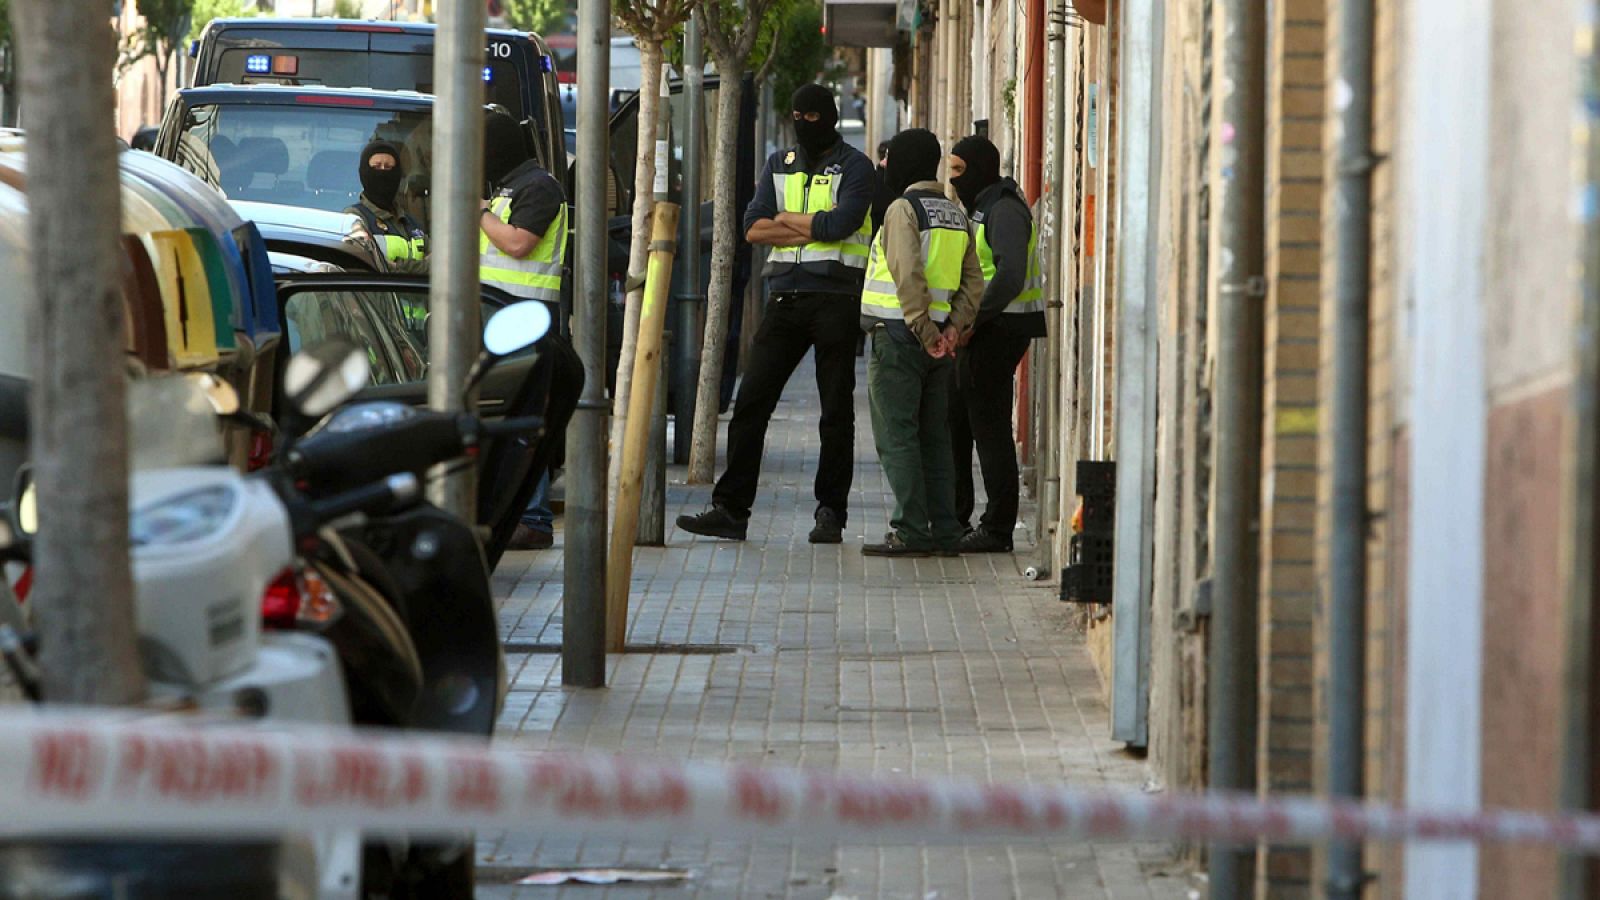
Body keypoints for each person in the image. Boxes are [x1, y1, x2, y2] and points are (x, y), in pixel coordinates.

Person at [676, 84, 876, 545]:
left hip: (836, 300)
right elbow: (751, 227)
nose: (804, 123)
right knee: (750, 406)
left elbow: (840, 224)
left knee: (835, 413)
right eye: (798, 115)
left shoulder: (856, 167)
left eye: (813, 116)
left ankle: (830, 512)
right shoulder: (778, 165)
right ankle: (730, 510)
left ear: (830, 117)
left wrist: (786, 220)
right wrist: (810, 226)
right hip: (784, 299)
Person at [859, 129, 983, 557]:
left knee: (898, 438)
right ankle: (946, 530)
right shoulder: (954, 212)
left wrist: (926, 333)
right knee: (935, 439)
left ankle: (911, 530)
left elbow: (907, 274)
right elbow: (973, 281)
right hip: (939, 347)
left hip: (899, 340)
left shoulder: (901, 210)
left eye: (890, 159)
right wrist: (952, 330)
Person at [946, 135, 1047, 553]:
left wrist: (970, 318)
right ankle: (955, 516)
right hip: (985, 325)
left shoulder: (1003, 209)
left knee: (988, 427)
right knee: (957, 419)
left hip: (1002, 327)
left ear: (979, 168)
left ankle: (998, 527)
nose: (952, 180)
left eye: (958, 171)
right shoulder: (981, 206)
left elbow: (1008, 276)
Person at [480, 111, 573, 552]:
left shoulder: (539, 186)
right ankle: (513, 514)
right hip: (503, 317)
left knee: (524, 418)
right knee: (507, 417)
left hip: (526, 317)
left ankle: (533, 518)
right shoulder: (508, 187)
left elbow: (518, 243)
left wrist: (479, 214)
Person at [345, 140, 427, 271]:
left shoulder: (410, 223)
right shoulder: (354, 219)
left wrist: (398, 266)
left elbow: (439, 267)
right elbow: (372, 267)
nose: (383, 173)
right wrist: (420, 268)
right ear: (364, 173)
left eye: (388, 167)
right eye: (377, 167)